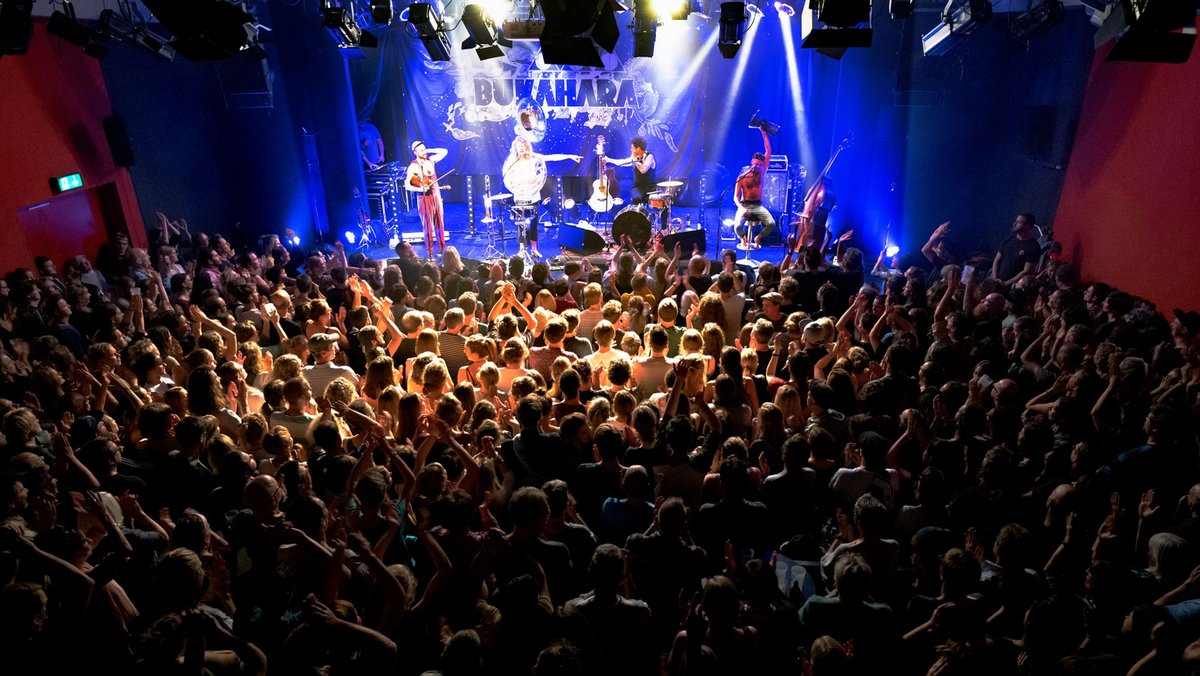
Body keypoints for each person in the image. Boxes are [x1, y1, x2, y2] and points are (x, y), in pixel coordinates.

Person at [502, 136, 581, 259]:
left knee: (533, 224)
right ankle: (522, 250)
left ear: (527, 147)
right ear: (516, 149)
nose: (521, 150)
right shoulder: (513, 162)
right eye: (519, 148)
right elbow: (508, 177)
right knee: (521, 225)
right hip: (519, 196)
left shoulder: (535, 158)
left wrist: (570, 156)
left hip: (533, 196)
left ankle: (534, 249)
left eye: (523, 147)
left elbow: (551, 157)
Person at [405, 140, 449, 258]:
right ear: (415, 152)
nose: (424, 152)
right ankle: (429, 253)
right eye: (421, 150)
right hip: (424, 197)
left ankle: (441, 250)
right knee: (428, 225)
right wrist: (420, 189)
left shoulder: (431, 160)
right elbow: (408, 185)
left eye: (425, 149)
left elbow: (444, 151)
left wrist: (428, 150)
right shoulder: (413, 166)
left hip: (436, 195)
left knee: (440, 222)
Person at [734, 125, 776, 249]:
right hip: (744, 205)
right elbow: (736, 197)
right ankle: (743, 239)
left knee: (771, 224)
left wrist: (763, 132)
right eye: (755, 163)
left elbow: (768, 150)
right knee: (737, 227)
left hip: (758, 205)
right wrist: (741, 208)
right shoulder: (742, 176)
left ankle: (758, 238)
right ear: (751, 162)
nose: (757, 166)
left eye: (759, 164)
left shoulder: (763, 171)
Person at [609, 136, 657, 204]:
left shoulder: (650, 156)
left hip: (651, 187)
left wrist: (634, 159)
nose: (631, 150)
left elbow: (643, 170)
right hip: (638, 188)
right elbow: (623, 162)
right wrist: (608, 160)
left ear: (638, 148)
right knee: (636, 198)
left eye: (632, 148)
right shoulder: (634, 158)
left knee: (656, 201)